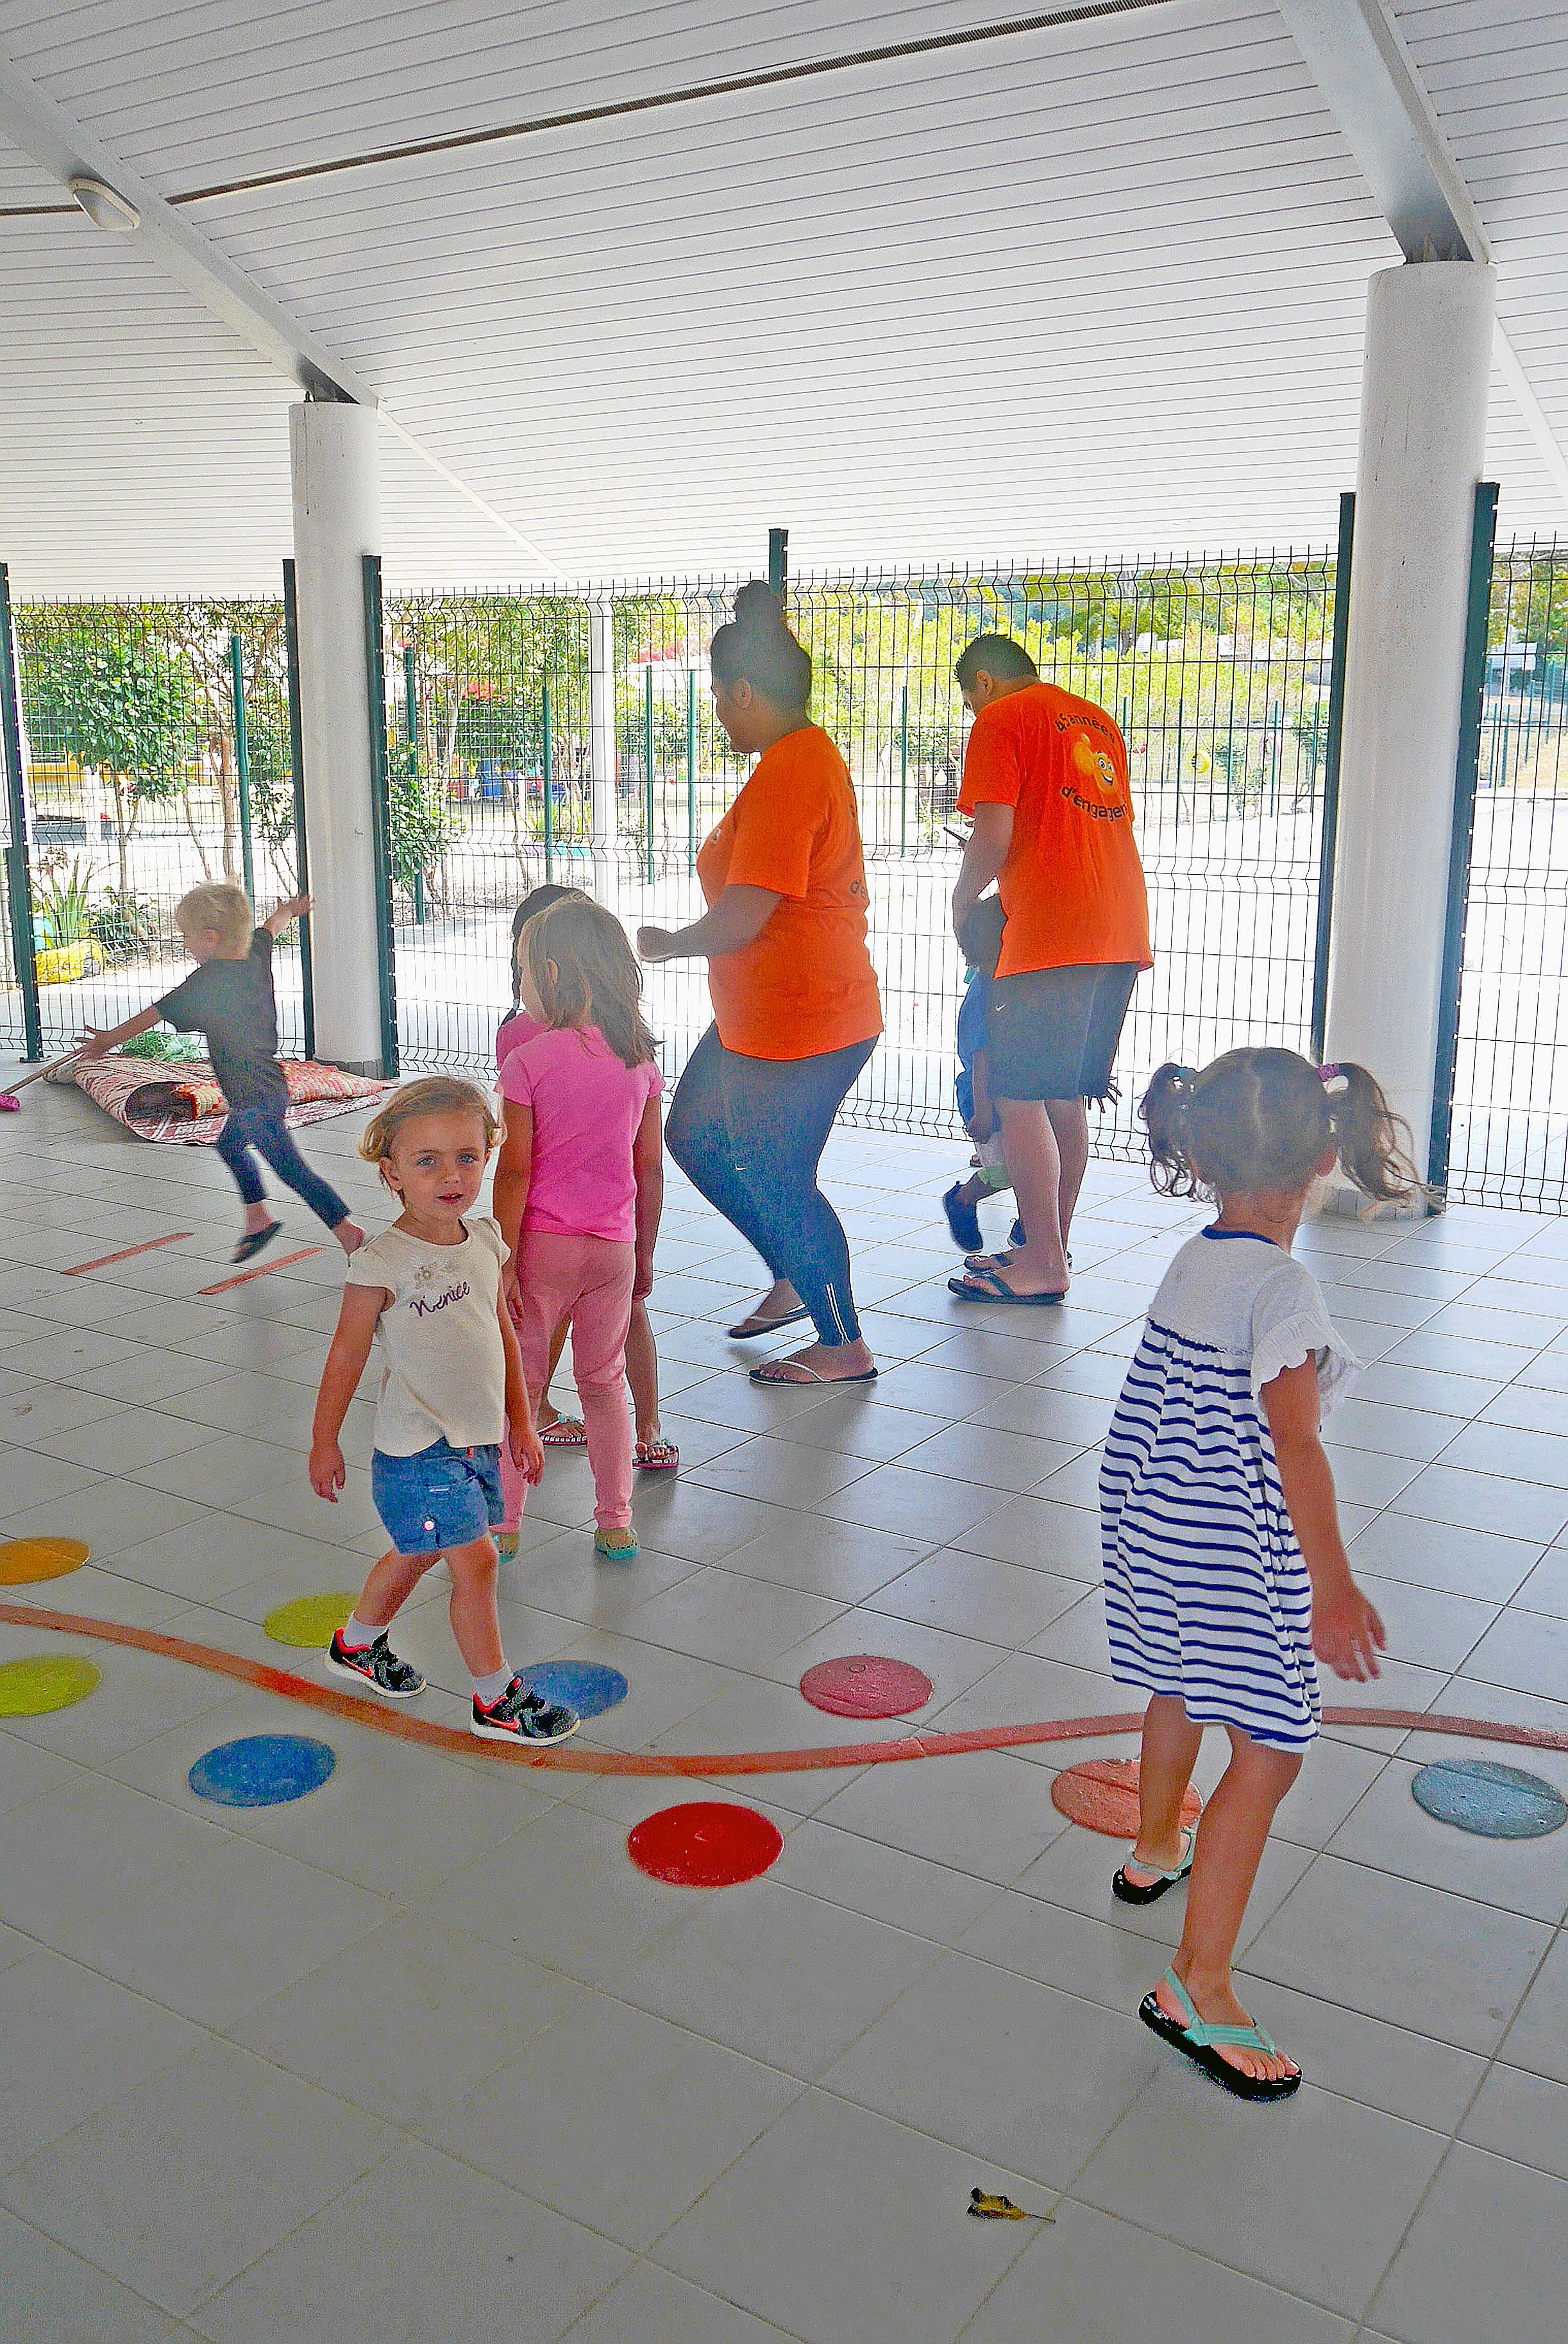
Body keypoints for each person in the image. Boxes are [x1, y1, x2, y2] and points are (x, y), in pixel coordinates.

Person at [1101, 1049, 1419, 2099]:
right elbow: (1298, 1448)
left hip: (1155, 1526)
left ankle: (1155, 1846)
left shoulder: (1197, 1260)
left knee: (1178, 1684)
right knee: (1272, 1750)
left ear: (1201, 1154)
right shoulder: (1282, 1291)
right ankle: (1197, 1984)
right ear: (1325, 1156)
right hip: (1229, 1551)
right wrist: (1330, 1585)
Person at [638, 579, 882, 1387]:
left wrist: (668, 944)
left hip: (805, 1017)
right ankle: (792, 1273)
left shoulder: (791, 770)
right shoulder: (793, 758)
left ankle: (842, 1341)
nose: (717, 713)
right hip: (764, 1015)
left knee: (777, 1176)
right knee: (697, 1137)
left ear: (743, 690)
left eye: (718, 697)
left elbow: (744, 916)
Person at [309, 1077, 578, 1746]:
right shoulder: (381, 1261)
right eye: (426, 1161)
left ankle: (357, 1644)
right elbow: (345, 1357)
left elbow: (501, 1340)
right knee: (477, 1563)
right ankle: (495, 1698)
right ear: (392, 1173)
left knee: (416, 1553)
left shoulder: (485, 1241)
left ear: (488, 1154)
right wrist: (324, 1441)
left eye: (466, 1155)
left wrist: (522, 1421)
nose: (450, 1174)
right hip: (417, 1450)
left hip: (473, 1441)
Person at [947, 636, 1152, 1304]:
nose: (972, 710)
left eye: (969, 698)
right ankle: (1046, 1244)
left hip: (1051, 932)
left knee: (1019, 1092)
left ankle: (1043, 1263)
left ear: (984, 682)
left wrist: (960, 897)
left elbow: (995, 831)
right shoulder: (1096, 719)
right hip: (1119, 927)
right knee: (1063, 1095)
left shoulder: (1002, 719)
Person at [495, 886, 677, 1552]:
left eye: (522, 972)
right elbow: (649, 1168)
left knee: (524, 1382)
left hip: (543, 1247)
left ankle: (507, 1526)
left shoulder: (526, 1061)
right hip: (615, 1248)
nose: (520, 986)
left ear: (549, 975)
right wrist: (644, 1253)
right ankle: (615, 1523)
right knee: (602, 1385)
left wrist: (504, 1256)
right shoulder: (640, 1063)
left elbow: (514, 1170)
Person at [78, 881, 362, 1265]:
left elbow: (153, 1015)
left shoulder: (207, 982)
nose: (185, 945)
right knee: (229, 1145)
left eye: (187, 937)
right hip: (265, 1087)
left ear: (210, 938)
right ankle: (258, 1219)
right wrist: (290, 911)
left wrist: (106, 1042)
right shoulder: (254, 955)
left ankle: (350, 1234)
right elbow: (270, 928)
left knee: (292, 1170)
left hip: (255, 1098)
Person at [943, 893, 1011, 1253]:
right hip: (983, 1097)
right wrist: (983, 1112)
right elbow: (980, 1059)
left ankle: (1031, 1227)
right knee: (1006, 1172)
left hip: (1004, 1094)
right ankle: (964, 1199)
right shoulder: (986, 992)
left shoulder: (997, 983)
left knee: (1026, 1165)